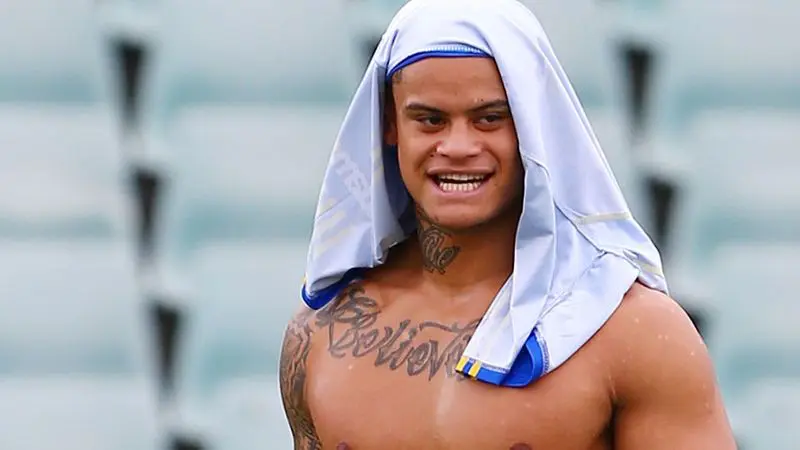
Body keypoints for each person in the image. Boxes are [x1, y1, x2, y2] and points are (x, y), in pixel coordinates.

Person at [279, 0, 736, 448]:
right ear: (389, 126)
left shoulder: (633, 331)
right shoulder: (320, 333)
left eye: (489, 119)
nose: (458, 147)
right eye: (430, 120)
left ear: (534, 126)